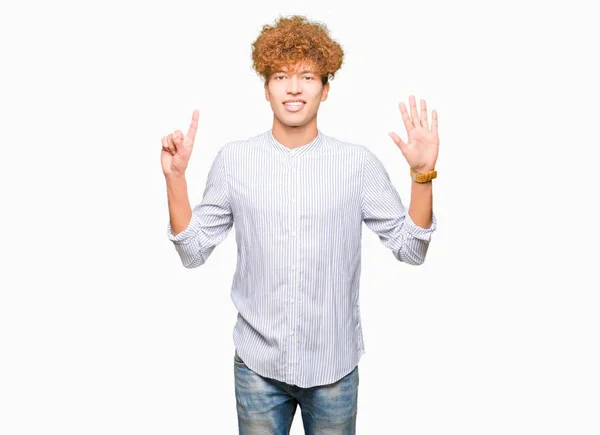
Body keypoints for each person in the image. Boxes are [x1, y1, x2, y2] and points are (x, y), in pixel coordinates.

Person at [161, 14, 439, 435]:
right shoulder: (235, 161)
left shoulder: (357, 164)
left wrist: (422, 176)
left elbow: (411, 248)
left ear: (325, 89)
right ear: (267, 88)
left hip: (334, 368)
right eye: (280, 76)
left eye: (307, 76)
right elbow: (193, 250)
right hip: (257, 368)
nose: (294, 87)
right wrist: (176, 180)